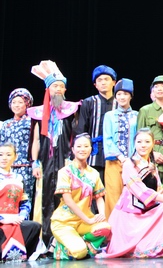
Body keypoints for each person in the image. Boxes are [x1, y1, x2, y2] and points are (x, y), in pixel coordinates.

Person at [100, 128, 163, 258]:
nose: (143, 145)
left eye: (147, 141)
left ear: (153, 143)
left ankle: (158, 245)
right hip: (130, 213)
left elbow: (159, 189)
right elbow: (141, 191)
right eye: (139, 142)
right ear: (134, 143)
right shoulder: (128, 164)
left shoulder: (152, 165)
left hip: (148, 207)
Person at [27, 60, 79, 245]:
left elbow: (75, 137)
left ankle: (65, 239)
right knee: (45, 197)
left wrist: (73, 160)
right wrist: (35, 162)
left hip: (65, 159)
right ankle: (45, 239)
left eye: (61, 86)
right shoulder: (38, 113)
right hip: (45, 160)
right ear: (48, 89)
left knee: (65, 196)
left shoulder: (72, 110)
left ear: (65, 90)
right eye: (54, 86)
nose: (58, 89)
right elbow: (35, 140)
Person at [50, 134, 111, 260]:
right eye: (79, 146)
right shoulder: (65, 172)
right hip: (64, 222)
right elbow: (68, 201)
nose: (82, 149)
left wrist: (102, 214)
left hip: (83, 222)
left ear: (91, 149)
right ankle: (60, 247)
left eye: (86, 146)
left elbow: (99, 197)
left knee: (106, 228)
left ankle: (80, 242)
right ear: (73, 149)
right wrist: (88, 220)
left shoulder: (94, 173)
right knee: (80, 252)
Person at [73, 65, 117, 182]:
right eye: (99, 80)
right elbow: (81, 130)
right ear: (95, 85)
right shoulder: (89, 102)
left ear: (114, 82)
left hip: (115, 154)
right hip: (93, 154)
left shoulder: (119, 103)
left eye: (106, 79)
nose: (103, 82)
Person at [137, 75, 163, 199]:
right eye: (156, 86)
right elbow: (139, 137)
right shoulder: (145, 110)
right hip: (151, 160)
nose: (159, 89)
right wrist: (152, 153)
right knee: (150, 197)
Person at [102, 78, 137, 219]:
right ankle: (111, 227)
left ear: (131, 96)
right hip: (114, 161)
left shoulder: (137, 115)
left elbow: (138, 138)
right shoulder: (109, 116)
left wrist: (132, 158)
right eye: (119, 94)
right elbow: (107, 138)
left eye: (125, 94)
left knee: (132, 194)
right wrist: (120, 157)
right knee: (113, 194)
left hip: (133, 162)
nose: (122, 97)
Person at [0, 143, 42, 262]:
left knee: (34, 226)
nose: (4, 158)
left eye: (8, 155)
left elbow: (25, 201)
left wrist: (22, 216)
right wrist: (3, 219)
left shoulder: (18, 178)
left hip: (15, 218)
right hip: (2, 220)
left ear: (15, 157)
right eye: (1, 155)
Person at [0, 89, 35, 202]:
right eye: (14, 102)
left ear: (27, 104)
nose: (16, 105)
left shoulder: (32, 122)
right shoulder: (6, 124)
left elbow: (36, 142)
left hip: (25, 166)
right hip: (7, 167)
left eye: (20, 102)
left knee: (24, 198)